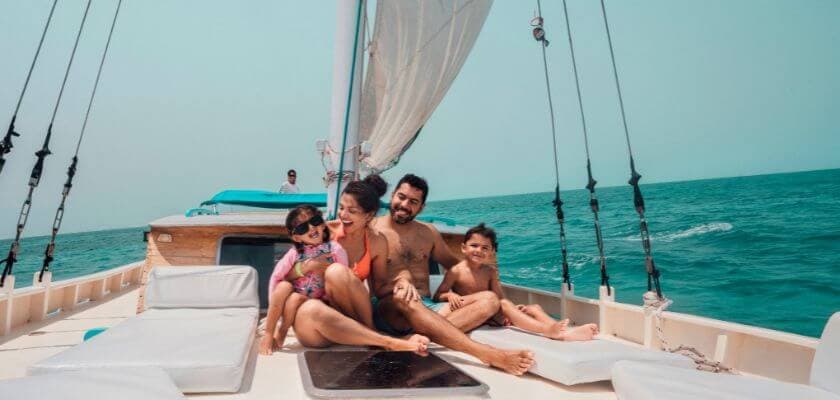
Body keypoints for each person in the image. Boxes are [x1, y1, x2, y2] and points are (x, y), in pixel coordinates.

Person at [370, 173, 535, 376]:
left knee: (490, 301)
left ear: (421, 207)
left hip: (429, 307)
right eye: (401, 197)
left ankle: (418, 336)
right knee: (406, 299)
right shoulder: (372, 230)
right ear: (393, 195)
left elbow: (456, 266)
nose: (405, 204)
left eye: (413, 201)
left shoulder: (428, 232)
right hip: (392, 308)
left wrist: (487, 290)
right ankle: (487, 354)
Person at [434, 223, 599, 341]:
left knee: (533, 308)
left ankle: (565, 332)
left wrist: (512, 310)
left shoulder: (490, 272)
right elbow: (438, 295)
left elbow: (499, 297)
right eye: (474, 245)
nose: (479, 250)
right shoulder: (456, 271)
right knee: (506, 306)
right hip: (473, 313)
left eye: (485, 248)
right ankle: (548, 330)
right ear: (464, 248)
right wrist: (450, 295)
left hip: (492, 313)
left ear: (491, 252)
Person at [260, 205, 348, 354]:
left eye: (315, 221)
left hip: (320, 303)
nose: (311, 228)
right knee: (285, 289)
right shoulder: (295, 253)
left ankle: (283, 330)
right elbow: (277, 276)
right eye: (302, 228)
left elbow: (343, 279)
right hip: (293, 302)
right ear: (296, 237)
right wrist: (275, 307)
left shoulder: (335, 250)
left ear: (322, 223)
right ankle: (271, 332)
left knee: (295, 298)